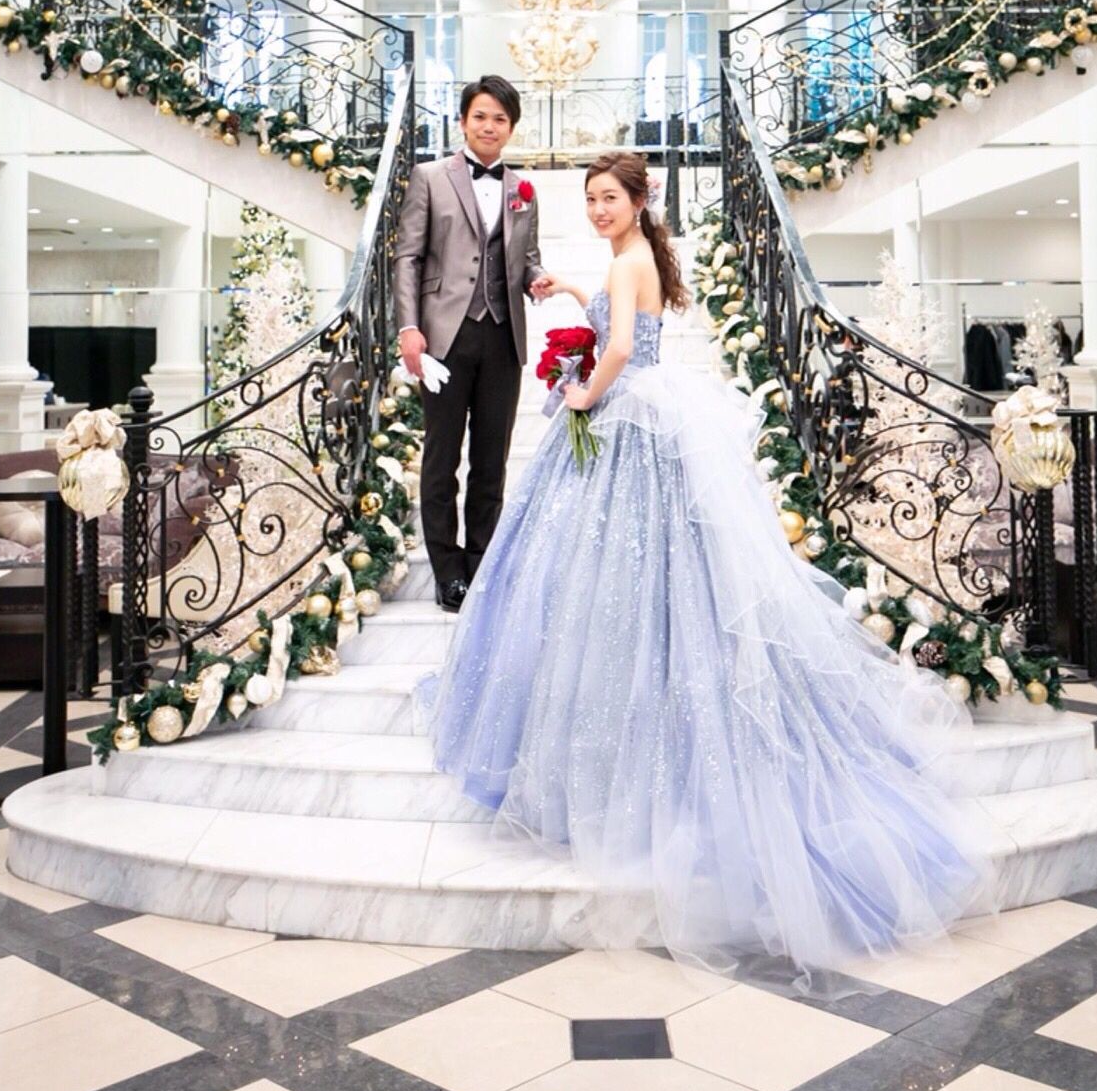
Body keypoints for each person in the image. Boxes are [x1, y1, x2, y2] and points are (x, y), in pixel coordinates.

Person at [426, 150, 990, 979]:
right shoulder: (637, 256)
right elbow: (624, 320)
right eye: (589, 199)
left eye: (608, 197)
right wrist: (573, 295)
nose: (597, 209)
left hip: (627, 414)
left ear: (636, 200)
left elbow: (623, 345)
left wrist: (583, 391)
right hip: (647, 410)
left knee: (610, 591)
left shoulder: (629, 258)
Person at [395, 74, 552, 613]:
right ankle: (447, 572)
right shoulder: (429, 177)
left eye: (500, 119)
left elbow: (527, 257)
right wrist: (409, 327)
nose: (489, 126)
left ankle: (481, 564)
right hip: (444, 334)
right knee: (441, 457)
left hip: (503, 336)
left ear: (511, 128)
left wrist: (537, 279)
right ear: (463, 121)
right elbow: (408, 257)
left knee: (491, 459)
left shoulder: (523, 190)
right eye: (480, 116)